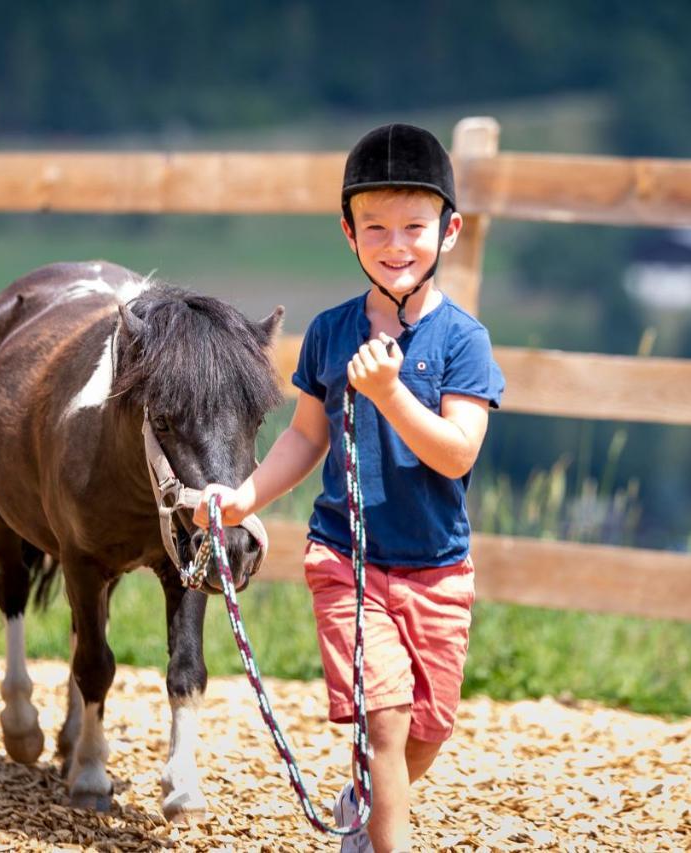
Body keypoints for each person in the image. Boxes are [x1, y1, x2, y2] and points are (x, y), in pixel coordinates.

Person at [194, 123, 505, 852]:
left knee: (429, 729)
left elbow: (457, 454)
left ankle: (364, 799)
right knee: (386, 720)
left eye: (414, 226)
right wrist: (245, 495)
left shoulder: (464, 341)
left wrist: (393, 396)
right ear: (348, 231)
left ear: (450, 230)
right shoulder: (331, 333)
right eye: (375, 227)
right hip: (347, 560)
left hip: (437, 565)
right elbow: (308, 435)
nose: (395, 243)